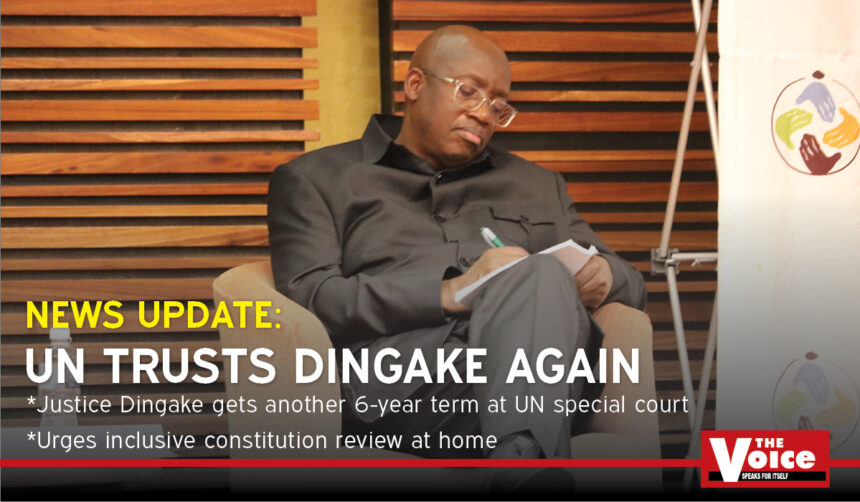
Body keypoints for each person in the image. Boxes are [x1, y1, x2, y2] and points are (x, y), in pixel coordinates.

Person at [268, 26, 646, 465]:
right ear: (415, 84)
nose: (485, 115)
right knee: (534, 292)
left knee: (540, 272)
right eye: (469, 92)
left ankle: (520, 463)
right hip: (409, 387)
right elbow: (312, 297)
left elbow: (632, 284)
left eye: (499, 107)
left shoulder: (537, 184)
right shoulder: (316, 179)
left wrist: (605, 277)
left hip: (537, 370)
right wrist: (450, 291)